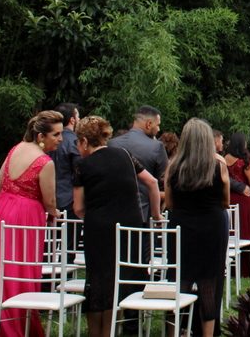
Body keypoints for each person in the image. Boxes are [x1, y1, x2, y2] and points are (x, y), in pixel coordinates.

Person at [0, 109, 64, 337]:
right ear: (41, 137)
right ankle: (16, 325)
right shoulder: (45, 162)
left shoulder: (15, 148)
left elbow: (0, 180)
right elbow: (50, 199)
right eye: (56, 135)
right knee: (21, 268)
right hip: (26, 215)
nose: (60, 139)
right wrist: (55, 213)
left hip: (1, 210)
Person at [72, 116, 162, 337]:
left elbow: (78, 207)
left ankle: (98, 332)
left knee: (98, 280)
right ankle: (122, 327)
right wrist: (156, 214)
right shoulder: (125, 155)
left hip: (100, 228)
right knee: (123, 277)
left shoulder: (82, 165)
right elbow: (152, 182)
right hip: (130, 227)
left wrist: (92, 214)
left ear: (84, 141)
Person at [165, 119, 230, 337]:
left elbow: (170, 203)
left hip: (182, 227)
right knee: (209, 282)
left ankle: (176, 330)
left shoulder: (173, 167)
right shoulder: (219, 165)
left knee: (179, 279)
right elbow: (225, 202)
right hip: (212, 228)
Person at [110, 105, 168, 223]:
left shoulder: (111, 144)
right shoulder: (156, 147)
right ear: (149, 124)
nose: (159, 129)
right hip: (144, 214)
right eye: (158, 125)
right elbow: (163, 179)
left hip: (114, 212)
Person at [224, 132, 250, 277]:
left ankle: (231, 265)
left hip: (229, 198)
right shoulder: (245, 162)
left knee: (232, 231)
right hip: (244, 200)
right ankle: (247, 267)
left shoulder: (224, 159)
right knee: (246, 230)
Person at [49, 103, 81, 224]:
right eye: (78, 117)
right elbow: (78, 172)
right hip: (70, 199)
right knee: (70, 240)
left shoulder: (47, 141)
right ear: (72, 120)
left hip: (49, 197)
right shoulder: (76, 142)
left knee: (49, 239)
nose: (79, 120)